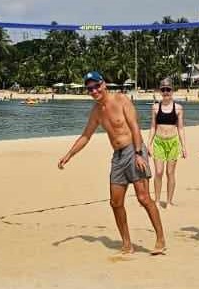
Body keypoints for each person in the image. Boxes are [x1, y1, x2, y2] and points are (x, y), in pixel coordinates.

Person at [58, 71, 167, 255]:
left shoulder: (121, 100)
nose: (94, 91)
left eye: (96, 86)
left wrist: (139, 154)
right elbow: (86, 135)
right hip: (117, 156)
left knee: (143, 198)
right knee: (115, 203)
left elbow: (135, 126)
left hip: (134, 150)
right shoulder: (96, 112)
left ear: (104, 84)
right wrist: (69, 154)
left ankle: (160, 239)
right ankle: (127, 244)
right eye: (90, 88)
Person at [148, 77, 187, 207]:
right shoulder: (155, 107)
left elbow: (180, 128)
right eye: (163, 89)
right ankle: (157, 200)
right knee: (158, 172)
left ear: (172, 91)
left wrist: (184, 146)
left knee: (170, 173)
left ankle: (169, 201)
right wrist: (149, 144)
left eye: (168, 89)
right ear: (160, 91)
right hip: (159, 142)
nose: (166, 92)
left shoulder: (178, 108)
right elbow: (153, 127)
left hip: (173, 142)